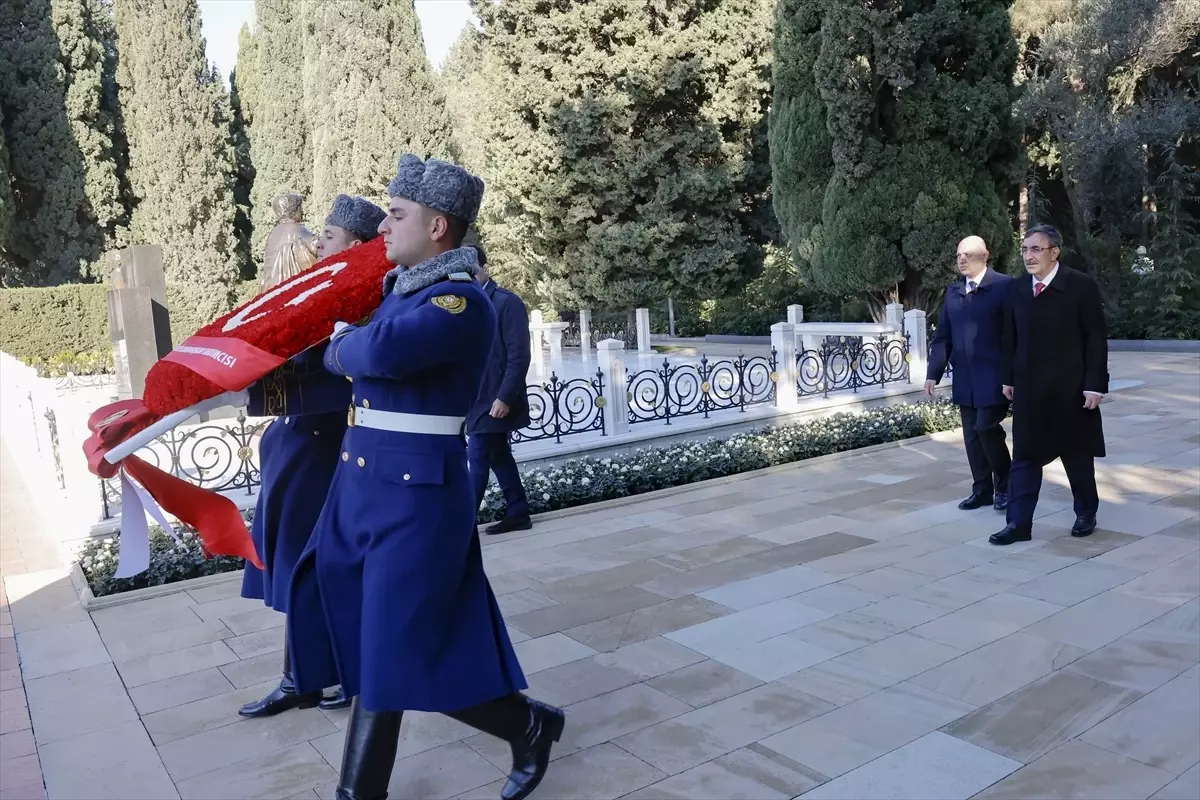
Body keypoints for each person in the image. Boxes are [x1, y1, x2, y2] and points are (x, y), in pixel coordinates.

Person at [286, 155, 564, 800]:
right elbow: (351, 352)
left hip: (416, 496)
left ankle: (363, 792)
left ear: (439, 226)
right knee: (378, 639)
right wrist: (339, 344)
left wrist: (341, 344)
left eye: (398, 213)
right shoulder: (399, 291)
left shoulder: (458, 300)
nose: (384, 224)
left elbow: (371, 352)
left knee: (392, 646)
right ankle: (527, 724)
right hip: (362, 487)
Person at [237, 195, 387, 717]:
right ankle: (305, 675)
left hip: (322, 445)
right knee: (301, 566)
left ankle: (329, 675)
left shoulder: (361, 300)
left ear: (359, 246)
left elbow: (339, 368)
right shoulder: (322, 292)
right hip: (296, 440)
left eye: (330, 235)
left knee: (314, 566)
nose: (317, 242)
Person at [991, 223, 1108, 546]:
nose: (1029, 256)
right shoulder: (1016, 289)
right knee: (1025, 457)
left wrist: (1094, 385)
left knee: (1077, 455)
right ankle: (1018, 524)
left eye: (1036, 249)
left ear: (1054, 253)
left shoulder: (1080, 286)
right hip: (1030, 390)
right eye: (1025, 249)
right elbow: (1009, 338)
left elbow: (1095, 340)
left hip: (1071, 391)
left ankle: (1086, 512)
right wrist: (1008, 378)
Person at [925, 235, 1013, 512]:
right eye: (959, 255)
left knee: (987, 428)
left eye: (968, 255)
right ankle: (982, 490)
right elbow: (943, 337)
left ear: (985, 256)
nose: (962, 259)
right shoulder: (953, 292)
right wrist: (933, 373)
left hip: (996, 376)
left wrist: (1014, 374)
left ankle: (1006, 486)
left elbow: (1016, 334)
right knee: (972, 436)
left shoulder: (1004, 286)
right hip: (965, 377)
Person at [466, 244, 534, 534]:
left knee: (478, 455)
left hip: (497, 398)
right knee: (497, 455)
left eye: (471, 269)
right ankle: (518, 511)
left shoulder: (507, 302)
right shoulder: (465, 302)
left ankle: (462, 524)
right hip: (475, 397)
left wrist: (505, 397)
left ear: (484, 268)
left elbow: (520, 355)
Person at [260, 193, 318, 290]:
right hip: (293, 287)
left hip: (271, 289)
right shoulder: (296, 229)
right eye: (299, 208)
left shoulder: (273, 233)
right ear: (292, 211)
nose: (302, 211)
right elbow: (316, 247)